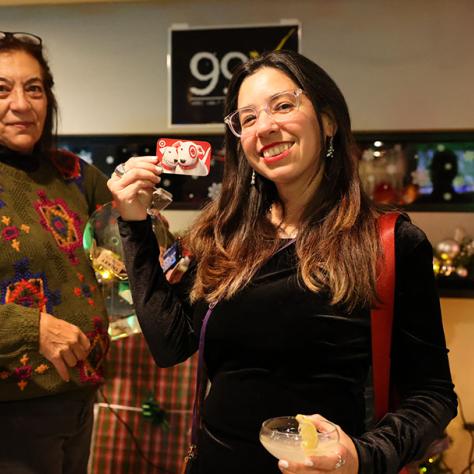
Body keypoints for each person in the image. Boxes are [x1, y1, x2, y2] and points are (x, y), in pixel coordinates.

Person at [108, 50, 457, 474]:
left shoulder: (389, 242)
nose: (265, 126)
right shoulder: (223, 234)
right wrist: (134, 224)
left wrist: (361, 457)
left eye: (283, 105)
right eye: (248, 118)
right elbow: (170, 344)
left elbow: (433, 392)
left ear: (328, 121)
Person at [0, 32, 111, 473]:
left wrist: (144, 209)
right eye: (1, 89)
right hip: (9, 414)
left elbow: (134, 245)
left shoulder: (75, 173)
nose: (22, 105)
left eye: (34, 88)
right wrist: (32, 330)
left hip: (79, 399)